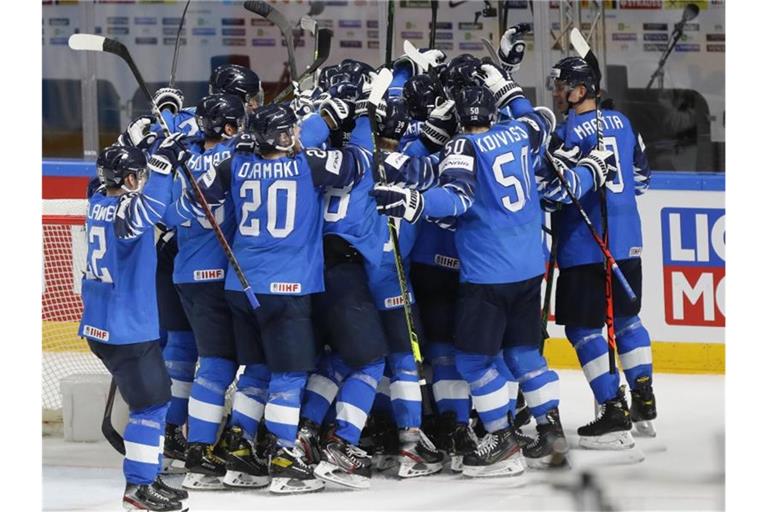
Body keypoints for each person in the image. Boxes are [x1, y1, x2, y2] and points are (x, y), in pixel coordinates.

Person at [372, 65, 586, 476]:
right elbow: (543, 117)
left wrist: (412, 202)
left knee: (470, 361)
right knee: (524, 353)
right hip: (528, 269)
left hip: (488, 274)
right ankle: (550, 432)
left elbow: (454, 198)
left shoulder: (463, 147)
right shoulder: (522, 132)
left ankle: (501, 440)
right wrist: (508, 88)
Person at [194, 98, 363, 494]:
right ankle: (287, 459)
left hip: (241, 286)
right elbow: (356, 165)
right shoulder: (309, 165)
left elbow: (197, 199)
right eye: (292, 131)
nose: (297, 137)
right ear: (283, 136)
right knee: (288, 376)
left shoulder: (234, 163)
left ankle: (239, 449)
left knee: (255, 370)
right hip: (286, 288)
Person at [541, 55, 656, 447]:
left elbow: (556, 193)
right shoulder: (622, 122)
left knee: (583, 328)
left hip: (585, 245)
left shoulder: (567, 133)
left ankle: (612, 408)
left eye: (562, 86)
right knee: (627, 319)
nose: (557, 93)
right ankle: (643, 395)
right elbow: (641, 179)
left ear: (581, 91)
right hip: (627, 239)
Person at [78, 141, 188, 511]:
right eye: (135, 175)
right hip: (127, 329)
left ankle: (150, 474)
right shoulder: (126, 213)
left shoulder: (96, 201)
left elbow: (120, 195)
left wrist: (140, 144)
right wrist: (161, 163)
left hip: (103, 326)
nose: (141, 179)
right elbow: (151, 208)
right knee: (152, 404)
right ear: (126, 179)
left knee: (155, 397)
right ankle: (139, 488)